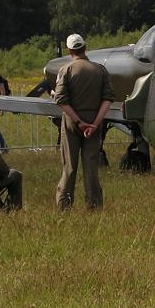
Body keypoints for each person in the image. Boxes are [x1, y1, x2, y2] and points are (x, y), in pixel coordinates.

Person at [52, 32, 112, 211]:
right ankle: (94, 206)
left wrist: (78, 122)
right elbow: (107, 99)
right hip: (94, 122)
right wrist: (94, 123)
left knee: (69, 167)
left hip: (72, 123)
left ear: (70, 50)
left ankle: (65, 207)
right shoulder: (100, 70)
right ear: (85, 48)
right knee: (91, 167)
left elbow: (61, 100)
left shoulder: (66, 70)